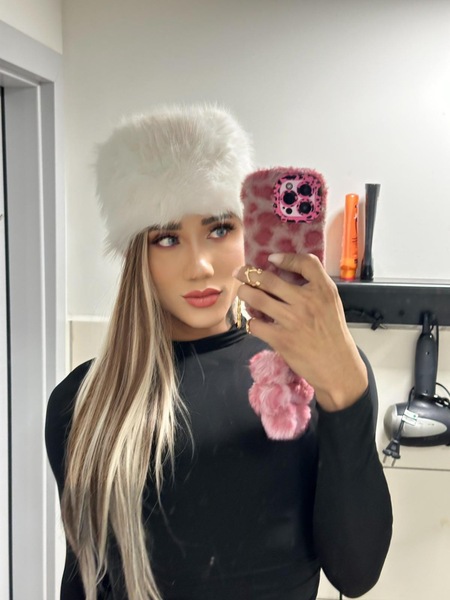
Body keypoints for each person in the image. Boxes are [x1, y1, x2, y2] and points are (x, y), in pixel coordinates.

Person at [45, 104, 392, 600]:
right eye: (168, 238)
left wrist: (347, 392)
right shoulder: (85, 401)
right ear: (137, 255)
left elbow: (356, 573)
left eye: (219, 229)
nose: (201, 266)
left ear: (248, 231)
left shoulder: (306, 376)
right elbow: (84, 582)